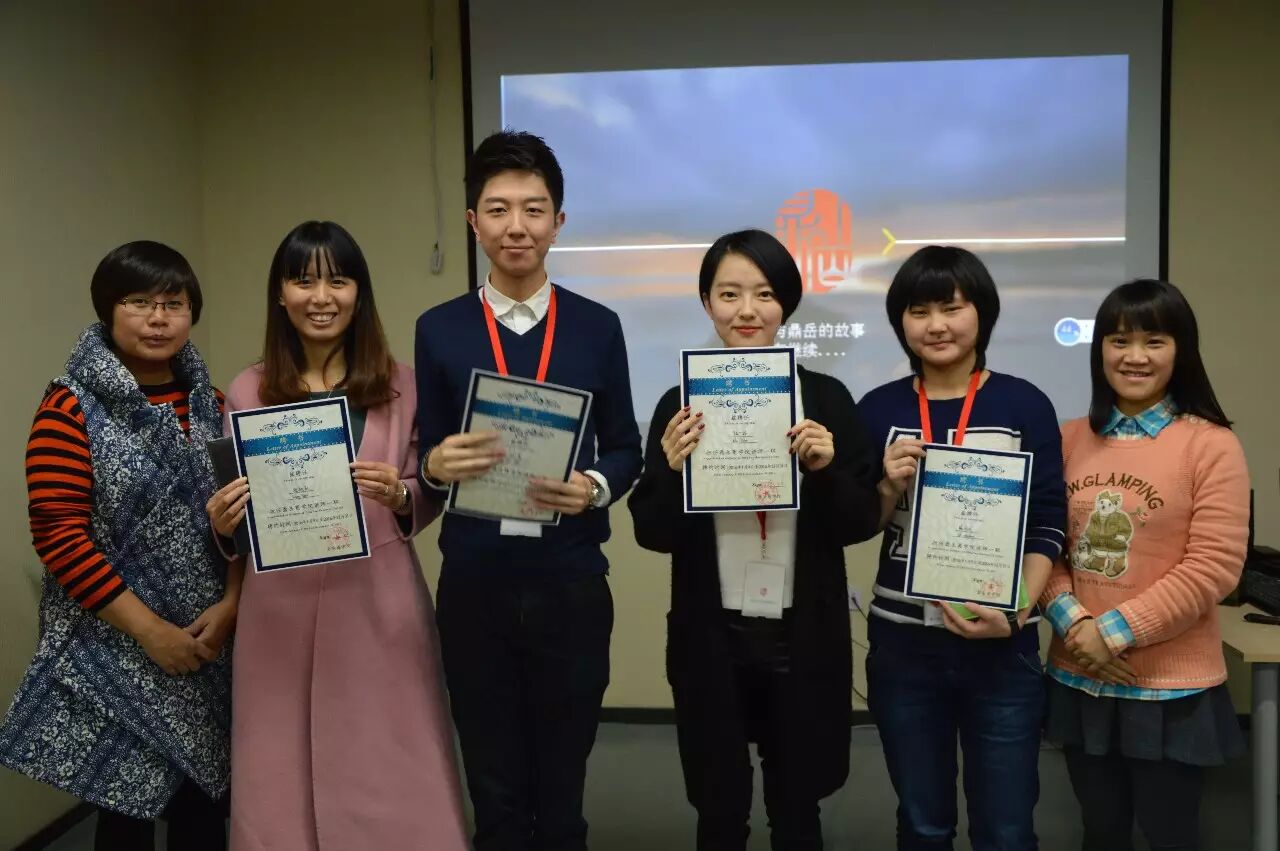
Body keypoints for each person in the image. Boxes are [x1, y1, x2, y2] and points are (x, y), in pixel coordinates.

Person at [414, 129, 643, 851]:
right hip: (474, 584)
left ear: (558, 221)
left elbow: (626, 447)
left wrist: (595, 486)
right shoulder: (439, 330)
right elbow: (426, 454)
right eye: (499, 209)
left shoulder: (597, 327)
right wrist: (434, 464)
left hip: (570, 581)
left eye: (534, 209)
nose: (517, 226)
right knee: (494, 788)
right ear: (472, 222)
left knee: (563, 788)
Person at [205, 221, 467, 850]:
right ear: (281, 295)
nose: (321, 297)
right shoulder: (247, 388)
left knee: (393, 757)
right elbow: (239, 512)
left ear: (359, 292)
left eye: (338, 280)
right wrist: (223, 525)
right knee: (278, 766)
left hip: (377, 597)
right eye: (303, 281)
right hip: (278, 608)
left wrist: (403, 495)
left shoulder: (402, 384)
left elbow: (428, 488)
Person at [628, 229, 880, 850]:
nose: (747, 310)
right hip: (712, 637)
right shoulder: (679, 402)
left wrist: (825, 471)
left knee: (798, 810)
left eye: (765, 294)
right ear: (706, 303)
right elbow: (651, 531)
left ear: (785, 303)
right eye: (729, 294)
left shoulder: (826, 398)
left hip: (803, 633)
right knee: (718, 812)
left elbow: (858, 522)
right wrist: (672, 472)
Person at [0, 241, 235, 850]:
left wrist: (232, 605)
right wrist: (150, 632)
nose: (158, 319)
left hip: (207, 640)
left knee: (205, 809)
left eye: (173, 304)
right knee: (125, 815)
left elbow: (246, 518)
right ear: (108, 310)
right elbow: (59, 535)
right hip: (117, 643)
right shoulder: (69, 406)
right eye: (138, 302)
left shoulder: (214, 405)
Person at [858, 245, 1067, 849]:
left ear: (982, 313)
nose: (937, 325)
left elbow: (1048, 521)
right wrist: (885, 485)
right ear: (901, 321)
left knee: (1007, 828)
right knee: (923, 824)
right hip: (903, 645)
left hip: (1001, 647)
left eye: (952, 308)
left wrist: (1017, 612)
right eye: (919, 311)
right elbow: (859, 525)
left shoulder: (1023, 403)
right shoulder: (878, 408)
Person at [1040, 279, 1247, 851]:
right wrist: (1077, 628)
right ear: (1099, 351)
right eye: (1119, 341)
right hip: (1080, 675)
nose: (1135, 356)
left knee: (1171, 834)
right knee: (1100, 832)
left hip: (1169, 691)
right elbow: (1045, 547)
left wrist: (1112, 633)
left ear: (1181, 350)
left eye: (1154, 341)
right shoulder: (1067, 438)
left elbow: (1213, 567)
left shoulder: (1211, 445)